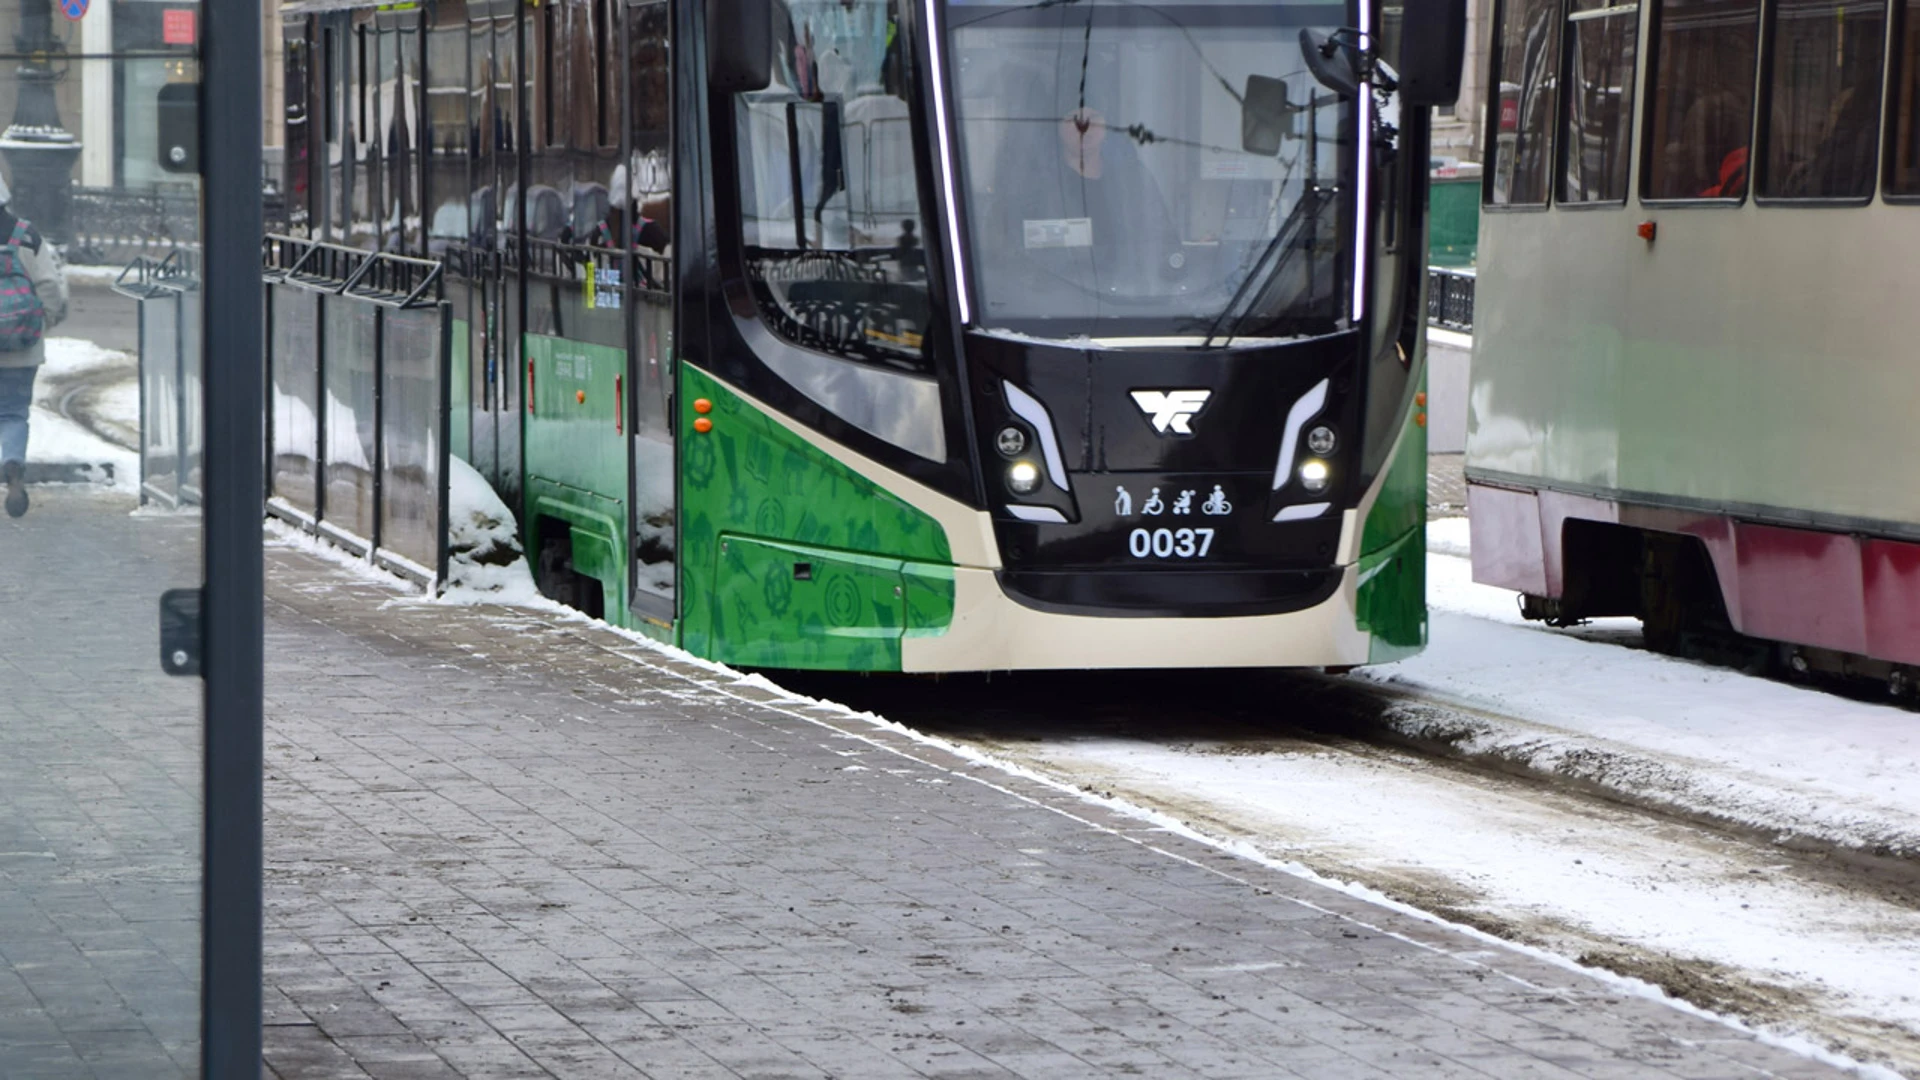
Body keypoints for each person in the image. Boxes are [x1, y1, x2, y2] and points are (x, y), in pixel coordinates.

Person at [0, 172, 68, 519]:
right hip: (22, 346)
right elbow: (49, 286)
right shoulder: (26, 235)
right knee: (12, 412)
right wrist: (46, 320)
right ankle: (11, 465)